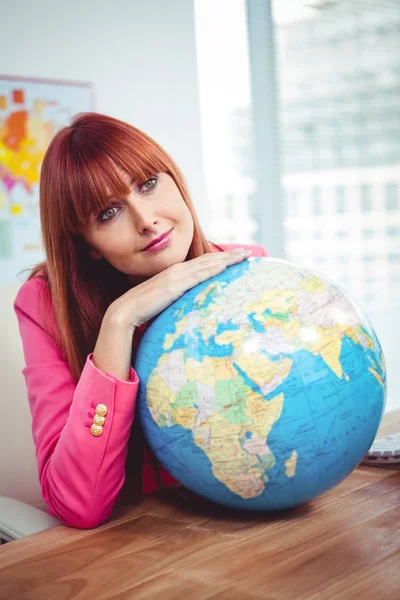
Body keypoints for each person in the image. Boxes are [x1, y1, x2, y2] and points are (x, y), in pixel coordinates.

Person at [14, 112, 268, 529]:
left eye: (148, 185)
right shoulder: (46, 306)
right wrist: (119, 321)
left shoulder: (246, 269)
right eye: (108, 212)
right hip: (145, 545)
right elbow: (78, 504)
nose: (146, 219)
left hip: (255, 521)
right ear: (88, 245)